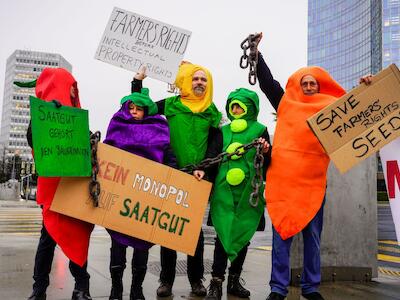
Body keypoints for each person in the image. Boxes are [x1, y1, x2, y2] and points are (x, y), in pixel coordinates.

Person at [254, 33, 346, 300]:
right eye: (304, 82)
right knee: (281, 235)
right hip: (283, 182)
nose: (308, 86)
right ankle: (277, 288)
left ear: (319, 86)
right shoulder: (285, 103)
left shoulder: (331, 109)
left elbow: (359, 113)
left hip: (313, 183)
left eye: (312, 83)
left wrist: (368, 85)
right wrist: (257, 55)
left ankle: (311, 287)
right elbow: (268, 84)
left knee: (313, 240)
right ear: (299, 85)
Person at [131, 63, 222, 297]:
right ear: (186, 82)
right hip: (169, 175)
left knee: (195, 235)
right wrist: (138, 82)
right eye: (195, 79)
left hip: (197, 180)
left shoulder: (212, 111)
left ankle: (196, 280)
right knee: (167, 231)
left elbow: (215, 145)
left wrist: (205, 169)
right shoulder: (171, 104)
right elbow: (141, 109)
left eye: (204, 79)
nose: (200, 83)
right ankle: (166, 281)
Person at [22, 68, 94, 300]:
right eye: (71, 85)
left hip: (74, 190)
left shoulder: (77, 117)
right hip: (53, 190)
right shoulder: (42, 116)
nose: (75, 89)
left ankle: (81, 286)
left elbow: (88, 147)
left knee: (76, 237)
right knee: (48, 239)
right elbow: (33, 138)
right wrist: (46, 116)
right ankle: (39, 288)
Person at [194, 88, 271, 300]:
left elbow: (269, 162)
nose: (235, 109)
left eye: (240, 106)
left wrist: (265, 151)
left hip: (249, 192)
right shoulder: (222, 131)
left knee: (243, 237)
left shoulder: (260, 130)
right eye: (233, 105)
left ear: (250, 108)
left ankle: (234, 281)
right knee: (222, 236)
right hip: (224, 193)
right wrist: (203, 169)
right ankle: (216, 283)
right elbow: (212, 155)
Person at [103, 84, 178, 300]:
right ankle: (116, 289)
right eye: (131, 108)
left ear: (146, 110)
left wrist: (170, 176)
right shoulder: (117, 127)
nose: (134, 112)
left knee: (142, 247)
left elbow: (168, 157)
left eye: (139, 108)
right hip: (120, 197)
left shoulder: (159, 129)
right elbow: (107, 153)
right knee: (117, 245)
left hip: (147, 198)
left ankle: (137, 288)